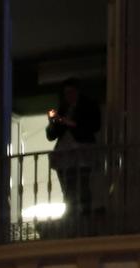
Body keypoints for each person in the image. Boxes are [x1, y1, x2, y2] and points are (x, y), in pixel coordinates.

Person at [46, 79, 102, 218]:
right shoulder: (63, 109)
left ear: (77, 92)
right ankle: (70, 212)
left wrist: (69, 122)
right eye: (66, 93)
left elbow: (94, 126)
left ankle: (85, 213)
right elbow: (52, 135)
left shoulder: (88, 106)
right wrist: (53, 123)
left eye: (71, 92)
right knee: (67, 186)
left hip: (82, 150)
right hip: (65, 153)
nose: (68, 96)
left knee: (82, 184)